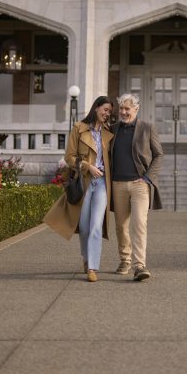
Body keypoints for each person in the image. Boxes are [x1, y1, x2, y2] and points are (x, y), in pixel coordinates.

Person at [44, 96, 114, 282]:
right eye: (105, 109)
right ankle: (86, 258)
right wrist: (87, 166)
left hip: (102, 184)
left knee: (96, 225)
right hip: (83, 181)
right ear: (96, 107)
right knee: (83, 226)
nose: (107, 114)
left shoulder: (108, 133)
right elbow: (69, 157)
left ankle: (92, 267)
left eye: (109, 112)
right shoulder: (79, 129)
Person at [110, 93, 163, 281]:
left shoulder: (147, 129)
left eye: (127, 109)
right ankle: (125, 259)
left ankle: (139, 265)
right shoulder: (112, 129)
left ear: (136, 109)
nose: (123, 112)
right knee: (121, 225)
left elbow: (159, 155)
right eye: (121, 108)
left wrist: (148, 178)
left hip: (140, 184)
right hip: (117, 184)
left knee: (139, 223)